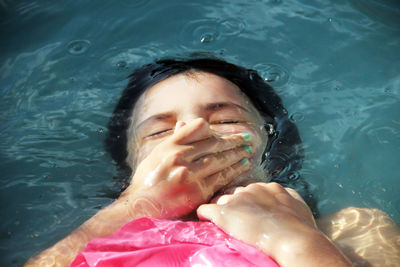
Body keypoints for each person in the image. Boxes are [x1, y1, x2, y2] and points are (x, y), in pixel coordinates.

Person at [25, 58, 399, 267]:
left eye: (226, 121)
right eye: (159, 133)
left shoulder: (348, 231)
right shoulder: (103, 238)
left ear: (274, 143)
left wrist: (294, 239)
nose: (196, 132)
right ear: (131, 167)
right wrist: (136, 205)